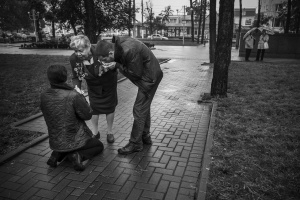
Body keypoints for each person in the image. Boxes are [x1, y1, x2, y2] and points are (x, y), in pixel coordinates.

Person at [96, 36, 163, 155]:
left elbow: (135, 74)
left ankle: (135, 143)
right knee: (143, 108)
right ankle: (145, 135)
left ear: (110, 52)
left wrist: (117, 65)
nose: (106, 62)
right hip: (150, 74)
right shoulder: (119, 46)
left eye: (106, 59)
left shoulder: (129, 50)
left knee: (139, 109)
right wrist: (115, 64)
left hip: (149, 79)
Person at [40, 65, 104, 171]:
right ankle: (77, 155)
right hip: (75, 138)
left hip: (56, 140)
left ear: (49, 78)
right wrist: (81, 96)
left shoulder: (44, 95)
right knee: (99, 146)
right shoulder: (73, 95)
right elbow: (87, 115)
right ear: (65, 77)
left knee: (65, 143)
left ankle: (57, 154)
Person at [69, 35, 118, 143]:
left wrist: (114, 66)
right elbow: (76, 76)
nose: (78, 53)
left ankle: (110, 132)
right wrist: (77, 88)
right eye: (75, 51)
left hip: (108, 84)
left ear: (89, 46)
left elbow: (116, 59)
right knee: (94, 109)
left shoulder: (100, 50)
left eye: (80, 50)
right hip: (93, 87)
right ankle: (95, 132)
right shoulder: (74, 58)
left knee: (110, 108)